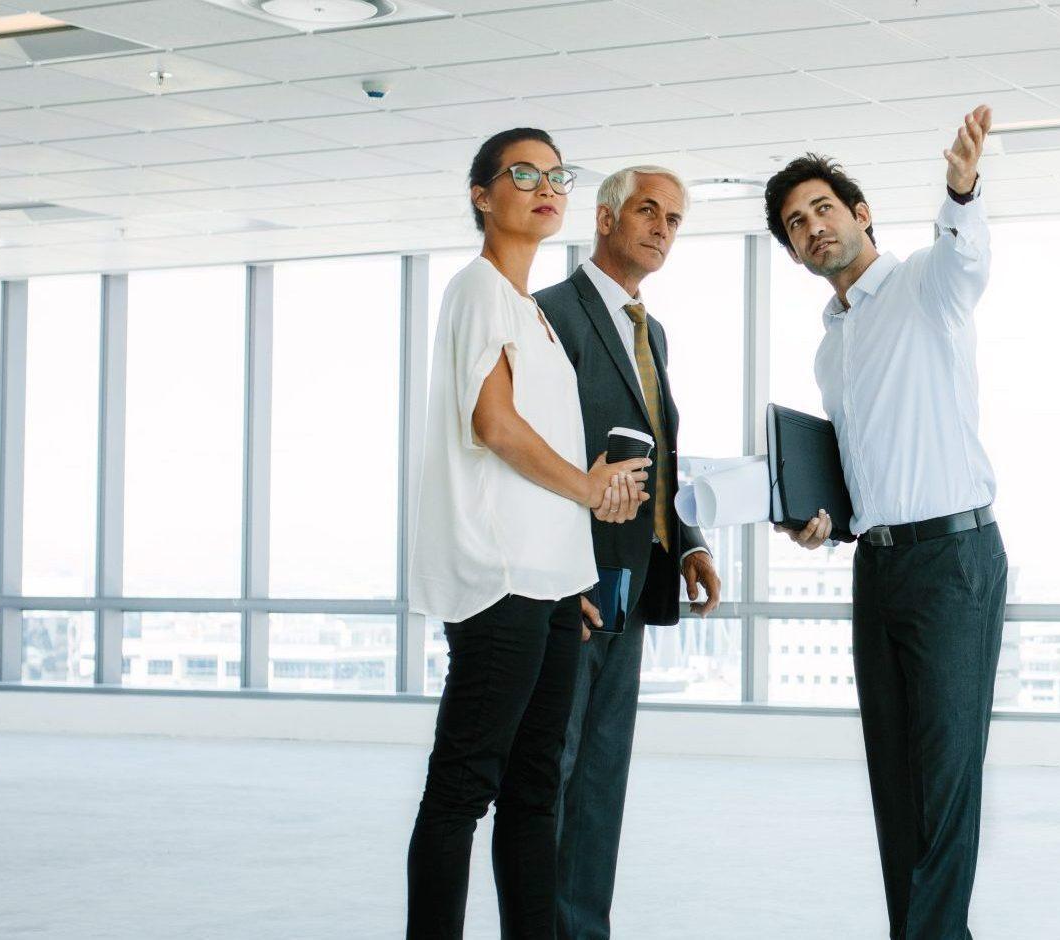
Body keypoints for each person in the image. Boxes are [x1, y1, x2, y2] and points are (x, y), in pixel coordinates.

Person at [765, 105, 1002, 940]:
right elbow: (863, 476)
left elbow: (965, 255)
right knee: (895, 778)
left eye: (823, 208)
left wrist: (961, 187)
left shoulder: (923, 286)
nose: (813, 226)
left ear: (861, 214)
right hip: (880, 564)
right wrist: (821, 521)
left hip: (953, 559)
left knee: (944, 775)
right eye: (796, 224)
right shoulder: (832, 347)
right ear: (793, 253)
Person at [405, 126, 647, 940]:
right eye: (522, 173)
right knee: (463, 787)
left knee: (536, 788)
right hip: (497, 580)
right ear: (482, 194)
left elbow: (530, 445)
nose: (546, 186)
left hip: (544, 586)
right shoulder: (476, 289)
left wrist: (570, 574)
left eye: (557, 175)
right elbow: (495, 425)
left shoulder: (530, 315)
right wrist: (585, 488)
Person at [533, 164, 724, 940]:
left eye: (674, 219)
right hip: (572, 584)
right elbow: (535, 455)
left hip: (633, 582)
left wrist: (688, 545)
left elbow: (663, 451)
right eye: (648, 211)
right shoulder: (551, 315)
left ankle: (584, 930)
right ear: (605, 219)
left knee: (602, 774)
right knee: (554, 767)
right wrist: (556, 572)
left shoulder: (653, 330)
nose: (662, 228)